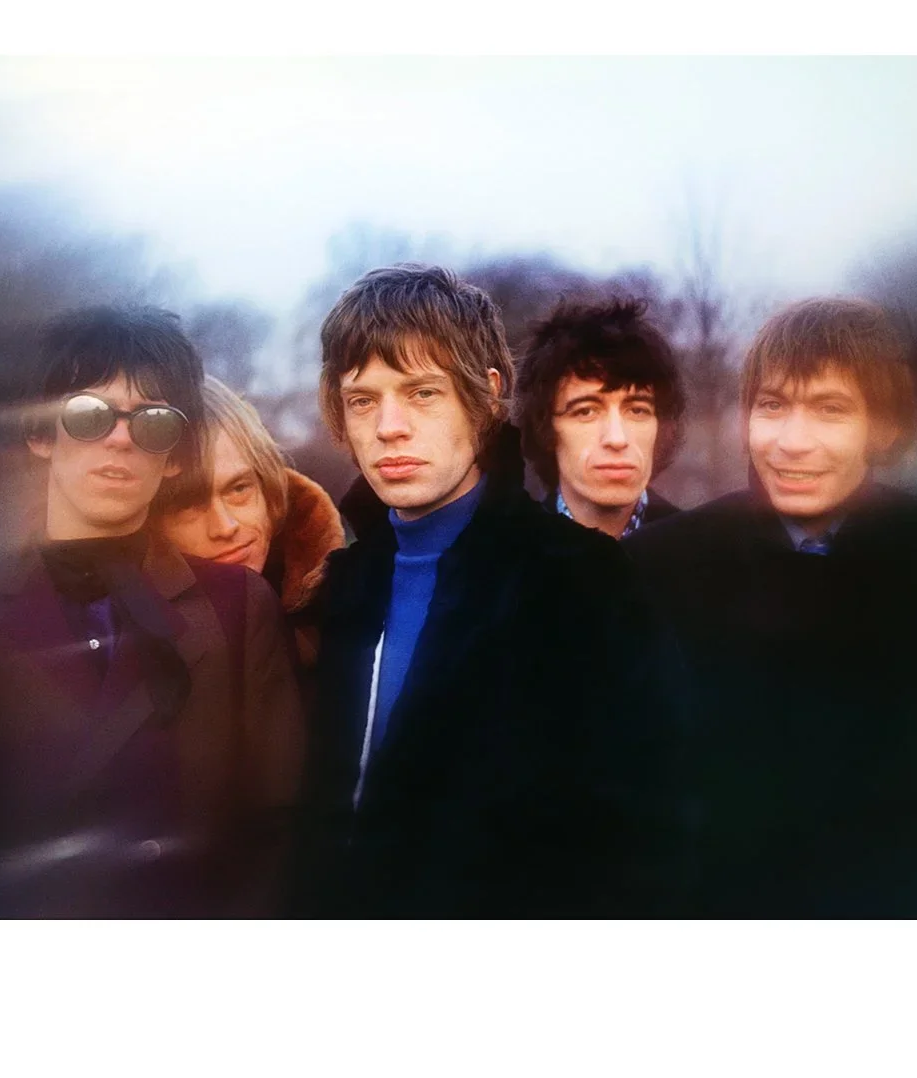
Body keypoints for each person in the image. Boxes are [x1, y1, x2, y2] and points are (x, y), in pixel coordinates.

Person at [0, 304, 303, 918]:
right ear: (41, 433)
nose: (121, 437)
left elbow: (279, 830)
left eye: (152, 422)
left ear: (173, 455)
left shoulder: (237, 608)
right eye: (90, 414)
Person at [292, 264, 688, 918]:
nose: (390, 425)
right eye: (364, 399)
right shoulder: (344, 586)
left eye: (422, 393)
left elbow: (650, 835)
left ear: (487, 396)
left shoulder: (581, 581)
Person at [626, 297, 917, 918]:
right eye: (772, 406)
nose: (792, 442)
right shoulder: (659, 567)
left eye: (830, 410)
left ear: (885, 427)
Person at [158, 375, 344, 670]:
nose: (225, 526)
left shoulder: (355, 614)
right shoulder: (133, 651)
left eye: (238, 488)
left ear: (269, 488)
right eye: (188, 504)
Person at [514, 296, 685, 536]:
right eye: (586, 411)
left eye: (637, 410)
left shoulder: (707, 560)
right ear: (546, 429)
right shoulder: (497, 564)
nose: (616, 439)